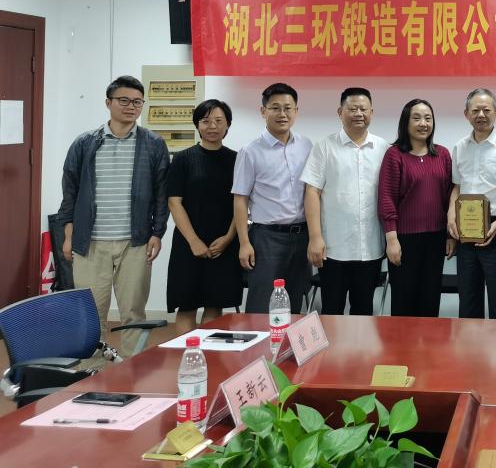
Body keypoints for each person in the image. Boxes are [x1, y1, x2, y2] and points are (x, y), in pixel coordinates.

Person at [56, 75, 169, 354]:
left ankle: (134, 367)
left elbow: (161, 194)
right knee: (91, 315)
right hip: (90, 242)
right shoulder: (85, 143)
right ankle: (94, 370)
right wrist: (68, 235)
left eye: (137, 102)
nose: (131, 107)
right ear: (108, 103)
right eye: (124, 100)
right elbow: (69, 193)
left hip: (136, 241)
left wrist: (157, 233)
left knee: (134, 311)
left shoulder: (153, 144)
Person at [302, 87, 388, 316]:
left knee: (363, 310)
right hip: (333, 248)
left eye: (363, 109)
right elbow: (312, 192)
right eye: (352, 109)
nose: (359, 113)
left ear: (372, 112)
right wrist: (315, 237)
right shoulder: (324, 147)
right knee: (332, 309)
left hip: (370, 247)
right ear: (340, 112)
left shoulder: (384, 148)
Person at [446, 88, 496, 320]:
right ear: (466, 114)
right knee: (468, 299)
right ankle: (470, 343)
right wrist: (451, 214)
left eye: (486, 110)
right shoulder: (460, 147)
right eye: (475, 110)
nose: (481, 115)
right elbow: (457, 187)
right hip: (466, 231)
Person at [232, 82, 312, 314]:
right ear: (263, 111)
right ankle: (257, 340)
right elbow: (240, 199)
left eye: (288, 108)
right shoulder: (250, 151)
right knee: (262, 304)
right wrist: (244, 243)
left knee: (294, 301)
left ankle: (288, 340)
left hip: (301, 235)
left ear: (296, 111)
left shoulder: (306, 145)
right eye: (275, 108)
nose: (282, 114)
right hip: (267, 238)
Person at [166, 99, 242, 333]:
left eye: (219, 121)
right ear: (197, 125)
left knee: (214, 304)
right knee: (186, 305)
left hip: (224, 241)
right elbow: (174, 202)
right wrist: (194, 241)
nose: (212, 126)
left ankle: (209, 354)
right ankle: (187, 353)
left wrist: (229, 237)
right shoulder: (182, 158)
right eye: (206, 121)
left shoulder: (237, 159)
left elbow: (241, 202)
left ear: (228, 124)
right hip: (188, 242)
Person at [378, 98, 454, 317]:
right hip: (404, 240)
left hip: (436, 238)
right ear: (406, 122)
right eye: (417, 118)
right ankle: (401, 342)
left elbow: (449, 196)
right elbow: (386, 198)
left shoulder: (442, 154)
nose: (423, 123)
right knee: (404, 300)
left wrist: (450, 235)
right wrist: (391, 240)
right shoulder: (395, 155)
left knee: (430, 299)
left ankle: (429, 341)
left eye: (428, 118)